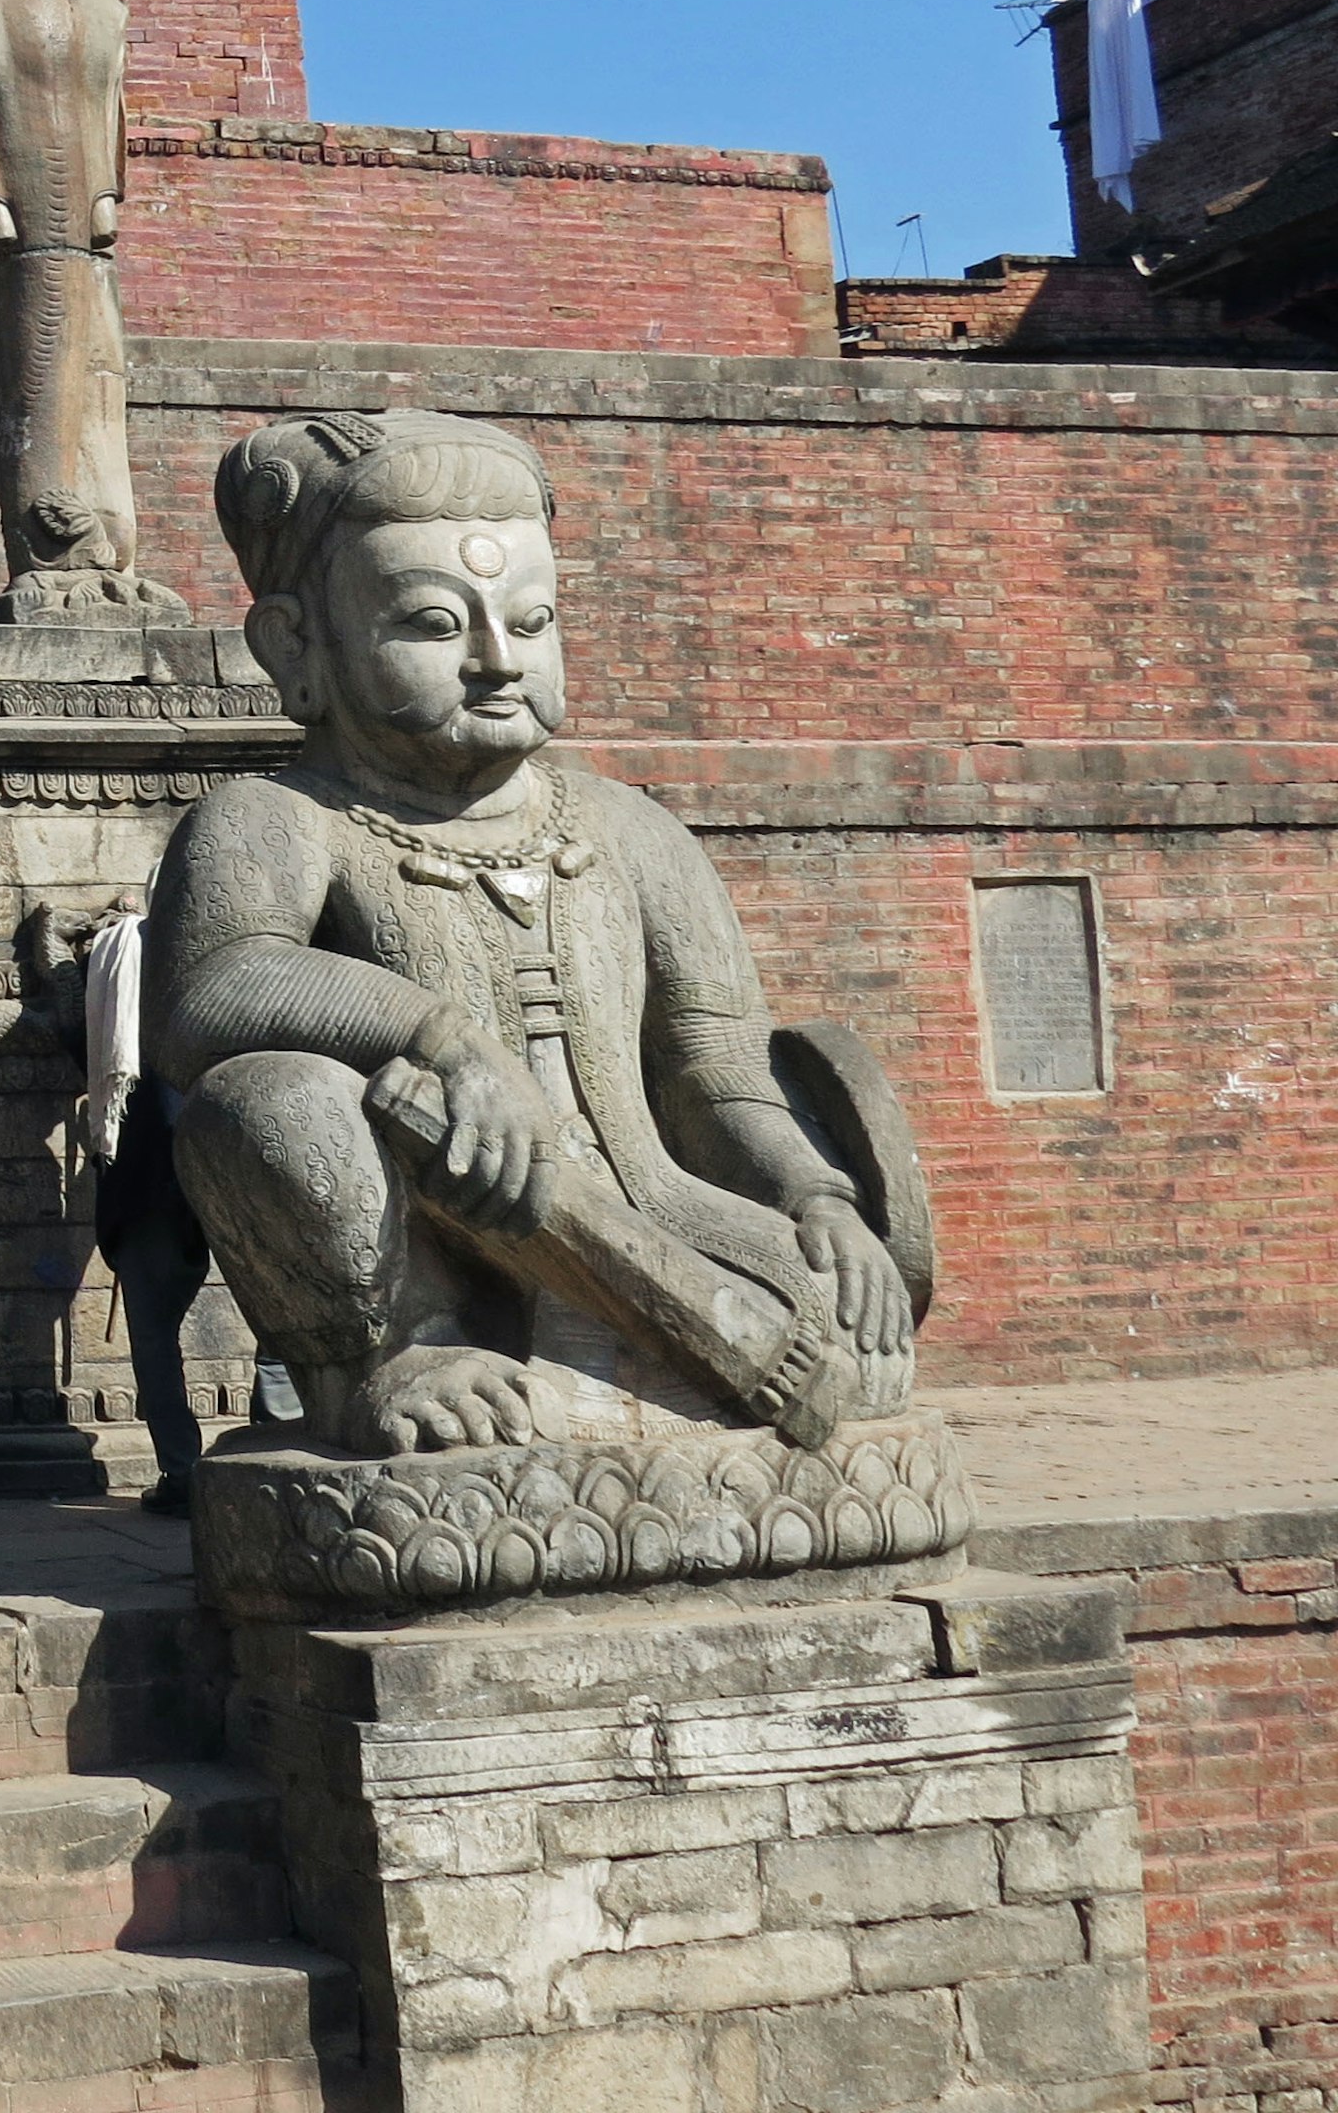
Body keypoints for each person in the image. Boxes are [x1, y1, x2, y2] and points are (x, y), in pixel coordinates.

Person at [148, 409, 918, 1462]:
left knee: (853, 1339)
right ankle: (397, 1360)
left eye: (532, 618)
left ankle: (637, 1395)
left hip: (659, 1220)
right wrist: (441, 1040)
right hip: (434, 1240)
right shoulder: (275, 822)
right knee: (265, 1099)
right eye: (430, 623)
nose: (496, 660)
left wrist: (814, 1196)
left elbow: (719, 1077)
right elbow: (211, 993)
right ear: (297, 643)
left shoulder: (631, 832)